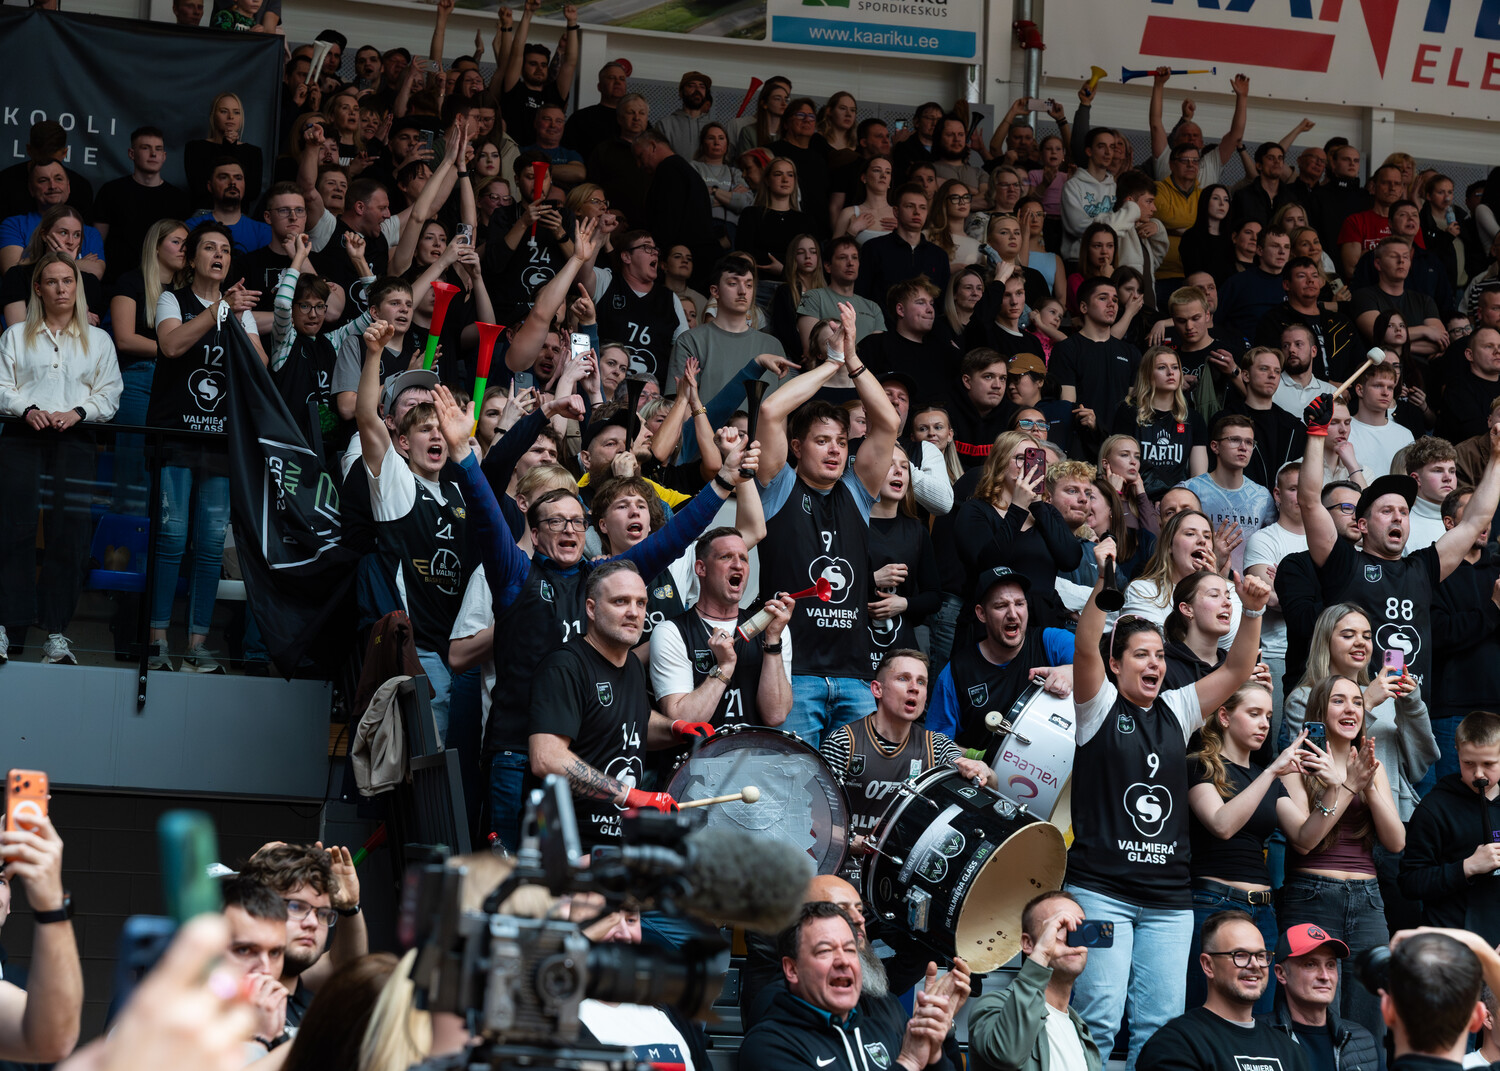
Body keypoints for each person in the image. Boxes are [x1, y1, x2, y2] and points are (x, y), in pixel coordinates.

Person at [432, 382, 753, 849]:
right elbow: (484, 513)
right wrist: (463, 453)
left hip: (583, 757)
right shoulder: (515, 574)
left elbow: (673, 538)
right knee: (515, 876)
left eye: (576, 521)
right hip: (518, 755)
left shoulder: (601, 578)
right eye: (554, 521)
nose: (568, 528)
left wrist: (722, 482)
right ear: (535, 533)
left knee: (570, 874)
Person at [1067, 535, 1270, 1070]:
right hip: (1098, 893)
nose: (1155, 663)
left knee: (1160, 1028)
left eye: (1159, 655)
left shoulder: (1177, 709)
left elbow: (1236, 671)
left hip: (1170, 903)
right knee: (1096, 1021)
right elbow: (1085, 648)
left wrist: (1251, 611)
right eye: (1141, 655)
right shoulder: (1097, 707)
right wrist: (1104, 581)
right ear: (1116, 666)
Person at [752, 303, 899, 746]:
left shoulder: (856, 490)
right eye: (821, 441)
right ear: (796, 448)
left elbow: (888, 423)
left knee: (859, 785)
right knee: (798, 784)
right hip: (794, 675)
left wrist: (853, 360)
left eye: (840, 442)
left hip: (855, 677)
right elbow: (772, 410)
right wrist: (831, 365)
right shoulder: (779, 485)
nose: (835, 450)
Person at [1300, 396, 1500, 703]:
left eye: (1404, 512)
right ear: (1362, 525)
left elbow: (1475, 521)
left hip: (1414, 710)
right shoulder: (1344, 563)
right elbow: (1310, 502)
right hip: (1359, 704)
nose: (1397, 517)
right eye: (1386, 511)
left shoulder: (1422, 567)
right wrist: (1316, 434)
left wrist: (1497, 456)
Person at [0, 252, 123, 664]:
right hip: (22, 436)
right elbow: (1, 385)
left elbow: (110, 393)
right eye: (51, 281)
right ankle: (4, 626)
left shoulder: (99, 340)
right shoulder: (16, 335)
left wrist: (79, 412)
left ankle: (56, 633)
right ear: (38, 289)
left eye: (68, 281)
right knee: (12, 530)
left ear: (77, 287)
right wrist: (26, 409)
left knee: (69, 535)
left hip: (76, 438)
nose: (61, 288)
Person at [1277, 672, 1406, 1046]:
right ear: (1319, 710)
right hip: (1313, 896)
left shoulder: (1370, 763)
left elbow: (1396, 841)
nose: (1350, 709)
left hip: (1368, 900)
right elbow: (1305, 840)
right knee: (1313, 1019)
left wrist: (1366, 783)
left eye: (1357, 702)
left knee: (1369, 1022)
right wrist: (1348, 785)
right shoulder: (1297, 762)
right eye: (1338, 700)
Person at [1185, 683, 1301, 1014]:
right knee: (1207, 1011)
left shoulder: (1266, 778)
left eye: (1268, 716)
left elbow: (1305, 837)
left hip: (1263, 911)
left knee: (1258, 1016)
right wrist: (1272, 772)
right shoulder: (1200, 765)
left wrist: (1340, 787)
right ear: (1224, 716)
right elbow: (1221, 824)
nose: (1264, 723)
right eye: (1254, 714)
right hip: (1213, 903)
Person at [737, 901, 956, 1071]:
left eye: (851, 950)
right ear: (792, 969)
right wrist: (908, 1062)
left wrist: (933, 1051)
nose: (843, 961)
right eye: (825, 950)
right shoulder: (768, 1047)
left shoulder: (880, 1028)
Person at [649, 527, 794, 731]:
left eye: (744, 558)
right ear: (701, 568)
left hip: (756, 750)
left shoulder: (772, 629)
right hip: (700, 751)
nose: (738, 565)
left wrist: (772, 641)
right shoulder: (671, 632)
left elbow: (776, 715)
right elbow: (684, 722)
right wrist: (724, 667)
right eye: (726, 557)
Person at [1135, 911, 1308, 1071]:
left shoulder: (1290, 1050)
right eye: (1240, 955)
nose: (1255, 965)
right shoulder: (1175, 1044)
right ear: (1208, 965)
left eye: (1261, 956)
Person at [927, 566, 1075, 752]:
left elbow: (1098, 667)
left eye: (1019, 604)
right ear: (981, 614)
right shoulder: (956, 673)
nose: (1013, 614)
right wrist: (974, 758)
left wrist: (1072, 671)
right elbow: (934, 745)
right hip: (982, 771)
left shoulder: (1051, 642)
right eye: (1001, 606)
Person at [954, 430, 1083, 629]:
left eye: (1036, 460)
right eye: (1021, 458)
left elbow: (1070, 559)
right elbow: (988, 565)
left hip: (1043, 623)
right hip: (994, 623)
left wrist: (1037, 505)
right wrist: (1018, 508)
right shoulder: (976, 510)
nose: (1030, 466)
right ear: (1000, 462)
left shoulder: (1046, 511)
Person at [967, 890, 1103, 1071]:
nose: (1071, 937)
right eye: (1059, 926)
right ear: (1028, 943)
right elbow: (1008, 1054)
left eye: (1079, 927)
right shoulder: (993, 1006)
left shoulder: (1080, 1031)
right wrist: (1042, 954)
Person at [238, 840, 366, 1032]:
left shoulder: (318, 1012)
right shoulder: (216, 1000)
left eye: (322, 913)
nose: (312, 923)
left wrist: (349, 907)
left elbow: (348, 968)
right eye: (297, 907)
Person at [1399, 709, 1500, 948]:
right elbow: (1410, 882)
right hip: (1451, 945)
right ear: (1457, 753)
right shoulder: (1435, 808)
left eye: (1488, 764)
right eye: (1468, 763)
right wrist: (1467, 867)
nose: (1478, 774)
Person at [1261, 924, 1383, 1071]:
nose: (1325, 976)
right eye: (1310, 964)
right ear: (1281, 973)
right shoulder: (1258, 1036)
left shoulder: (1364, 1041)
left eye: (1330, 965)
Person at [1052, 277, 1141, 460]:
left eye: (1115, 299)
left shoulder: (1130, 352)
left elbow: (1133, 406)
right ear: (1084, 307)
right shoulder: (1067, 349)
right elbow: (1068, 406)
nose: (1111, 304)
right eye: (1103, 298)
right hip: (1081, 448)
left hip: (1120, 450)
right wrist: (1094, 426)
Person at [91, 126, 191, 284]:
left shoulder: (179, 199)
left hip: (163, 283)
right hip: (115, 281)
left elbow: (184, 245)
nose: (153, 154)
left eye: (158, 149)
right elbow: (97, 243)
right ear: (131, 154)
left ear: (164, 156)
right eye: (146, 148)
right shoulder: (111, 191)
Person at [1180, 414, 1276, 573]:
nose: (1243, 447)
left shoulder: (1262, 497)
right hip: (1200, 578)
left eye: (1249, 442)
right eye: (1234, 440)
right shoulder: (1190, 490)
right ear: (1215, 446)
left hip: (1249, 583)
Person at [1112, 345, 1208, 499]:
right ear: (1148, 374)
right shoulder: (1128, 412)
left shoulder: (1193, 418)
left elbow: (1199, 479)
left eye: (1175, 367)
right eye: (1162, 367)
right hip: (1136, 498)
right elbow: (1118, 466)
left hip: (1177, 502)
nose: (1171, 372)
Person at [856, 183, 949, 309]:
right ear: (896, 211)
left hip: (928, 321)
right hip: (881, 321)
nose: (917, 212)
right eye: (910, 206)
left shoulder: (939, 256)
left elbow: (942, 304)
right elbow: (862, 295)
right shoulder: (874, 248)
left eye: (922, 207)